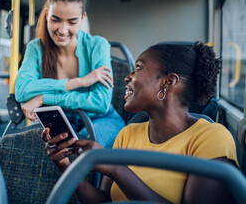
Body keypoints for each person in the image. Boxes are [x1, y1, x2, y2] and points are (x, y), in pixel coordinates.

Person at [43, 42, 239, 204]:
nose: (128, 77)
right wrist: (65, 166)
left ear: (168, 82)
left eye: (138, 68)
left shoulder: (212, 137)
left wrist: (116, 168)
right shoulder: (127, 134)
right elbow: (104, 202)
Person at [15, 0, 125, 148]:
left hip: (100, 119)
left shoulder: (98, 45)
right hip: (61, 120)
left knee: (86, 148)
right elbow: (21, 91)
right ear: (46, 14)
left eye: (72, 22)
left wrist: (45, 96)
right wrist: (77, 82)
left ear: (82, 18)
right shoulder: (36, 47)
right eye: (55, 20)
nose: (63, 30)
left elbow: (101, 102)